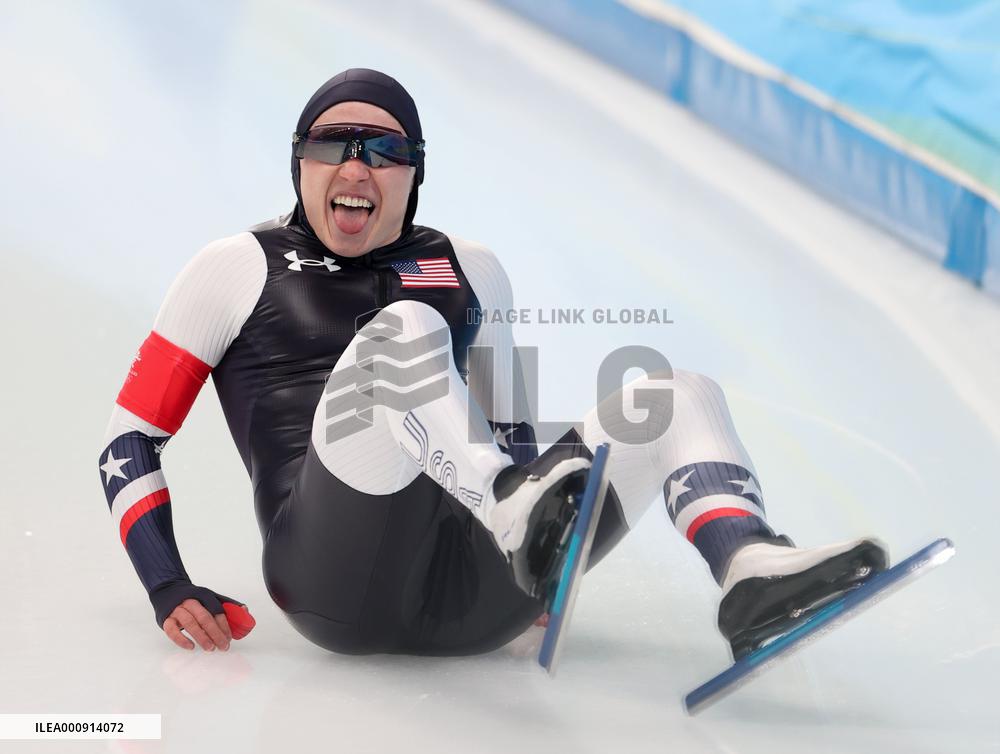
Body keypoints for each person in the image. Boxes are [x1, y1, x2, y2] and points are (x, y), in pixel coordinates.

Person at [98, 68, 888, 658]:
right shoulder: (235, 266)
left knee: (679, 395)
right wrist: (167, 581)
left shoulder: (471, 267)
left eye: (385, 150)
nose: (356, 167)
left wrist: (536, 535)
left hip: (472, 597)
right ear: (300, 162)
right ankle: (516, 520)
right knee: (404, 328)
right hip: (330, 582)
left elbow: (511, 432)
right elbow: (128, 439)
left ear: (415, 172)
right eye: (333, 145)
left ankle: (748, 566)